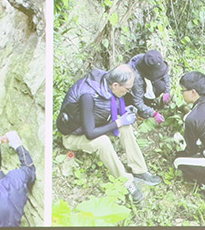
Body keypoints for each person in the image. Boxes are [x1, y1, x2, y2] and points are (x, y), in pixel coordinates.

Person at [56, 64, 161, 203]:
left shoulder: (107, 82)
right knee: (103, 141)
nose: (128, 92)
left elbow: (103, 109)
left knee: (126, 127)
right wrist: (118, 122)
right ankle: (125, 182)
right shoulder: (87, 95)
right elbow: (90, 133)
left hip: (92, 125)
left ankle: (140, 170)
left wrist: (122, 112)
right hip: (74, 136)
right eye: (127, 89)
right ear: (116, 85)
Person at [125, 49, 171, 121]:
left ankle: (149, 101)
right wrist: (153, 114)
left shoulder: (151, 59)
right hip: (134, 92)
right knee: (143, 113)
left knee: (161, 86)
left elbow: (165, 74)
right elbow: (138, 101)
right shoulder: (135, 77)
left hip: (147, 80)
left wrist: (167, 91)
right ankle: (145, 105)